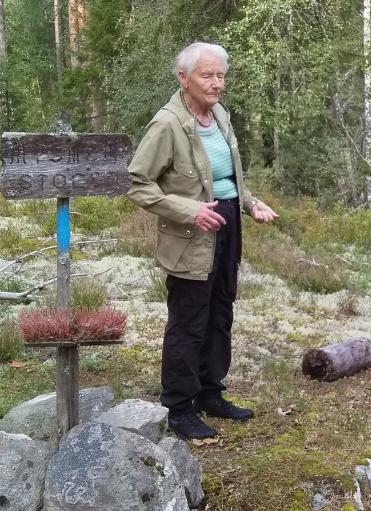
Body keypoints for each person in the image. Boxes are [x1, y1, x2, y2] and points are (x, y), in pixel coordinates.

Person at [128, 42, 278, 440]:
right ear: (183, 78)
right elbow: (137, 183)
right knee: (189, 321)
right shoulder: (166, 125)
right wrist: (187, 210)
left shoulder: (220, 116)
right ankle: (178, 407)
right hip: (190, 234)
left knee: (220, 312)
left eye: (220, 76)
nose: (216, 84)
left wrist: (250, 203)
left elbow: (227, 178)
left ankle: (211, 393)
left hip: (227, 225)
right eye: (207, 75)